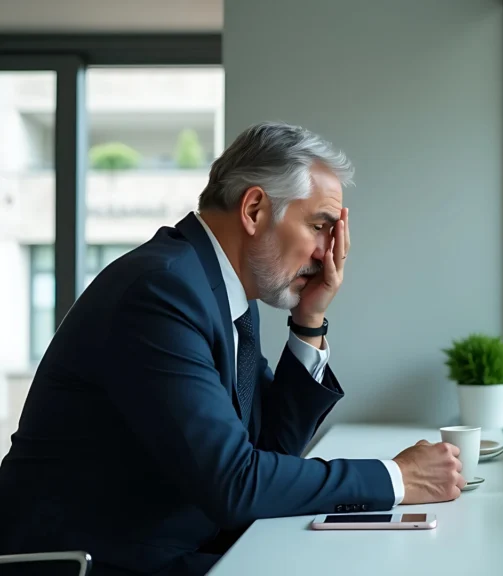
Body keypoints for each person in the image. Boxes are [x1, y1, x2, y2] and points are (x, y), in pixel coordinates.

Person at [0, 122, 464, 576]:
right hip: (96, 562)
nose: (330, 253)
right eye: (321, 226)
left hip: (170, 547)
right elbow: (236, 483)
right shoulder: (161, 292)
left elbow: (272, 450)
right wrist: (398, 478)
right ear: (256, 209)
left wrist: (309, 319)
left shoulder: (221, 293)